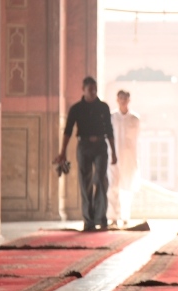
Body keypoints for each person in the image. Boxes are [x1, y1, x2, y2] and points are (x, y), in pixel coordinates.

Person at [55, 77, 117, 231]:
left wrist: (114, 152)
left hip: (101, 146)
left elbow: (109, 130)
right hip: (84, 145)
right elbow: (68, 131)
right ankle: (89, 220)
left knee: (101, 179)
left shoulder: (103, 107)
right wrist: (62, 152)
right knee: (85, 182)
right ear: (83, 89)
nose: (93, 92)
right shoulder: (76, 109)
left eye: (95, 89)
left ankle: (101, 217)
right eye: (90, 89)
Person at [108, 89, 140, 226]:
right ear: (117, 100)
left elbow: (134, 139)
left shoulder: (134, 119)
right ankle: (113, 217)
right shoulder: (112, 117)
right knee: (113, 186)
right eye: (120, 98)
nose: (123, 101)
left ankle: (126, 216)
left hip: (129, 158)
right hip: (113, 156)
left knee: (127, 188)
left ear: (128, 100)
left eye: (125, 98)